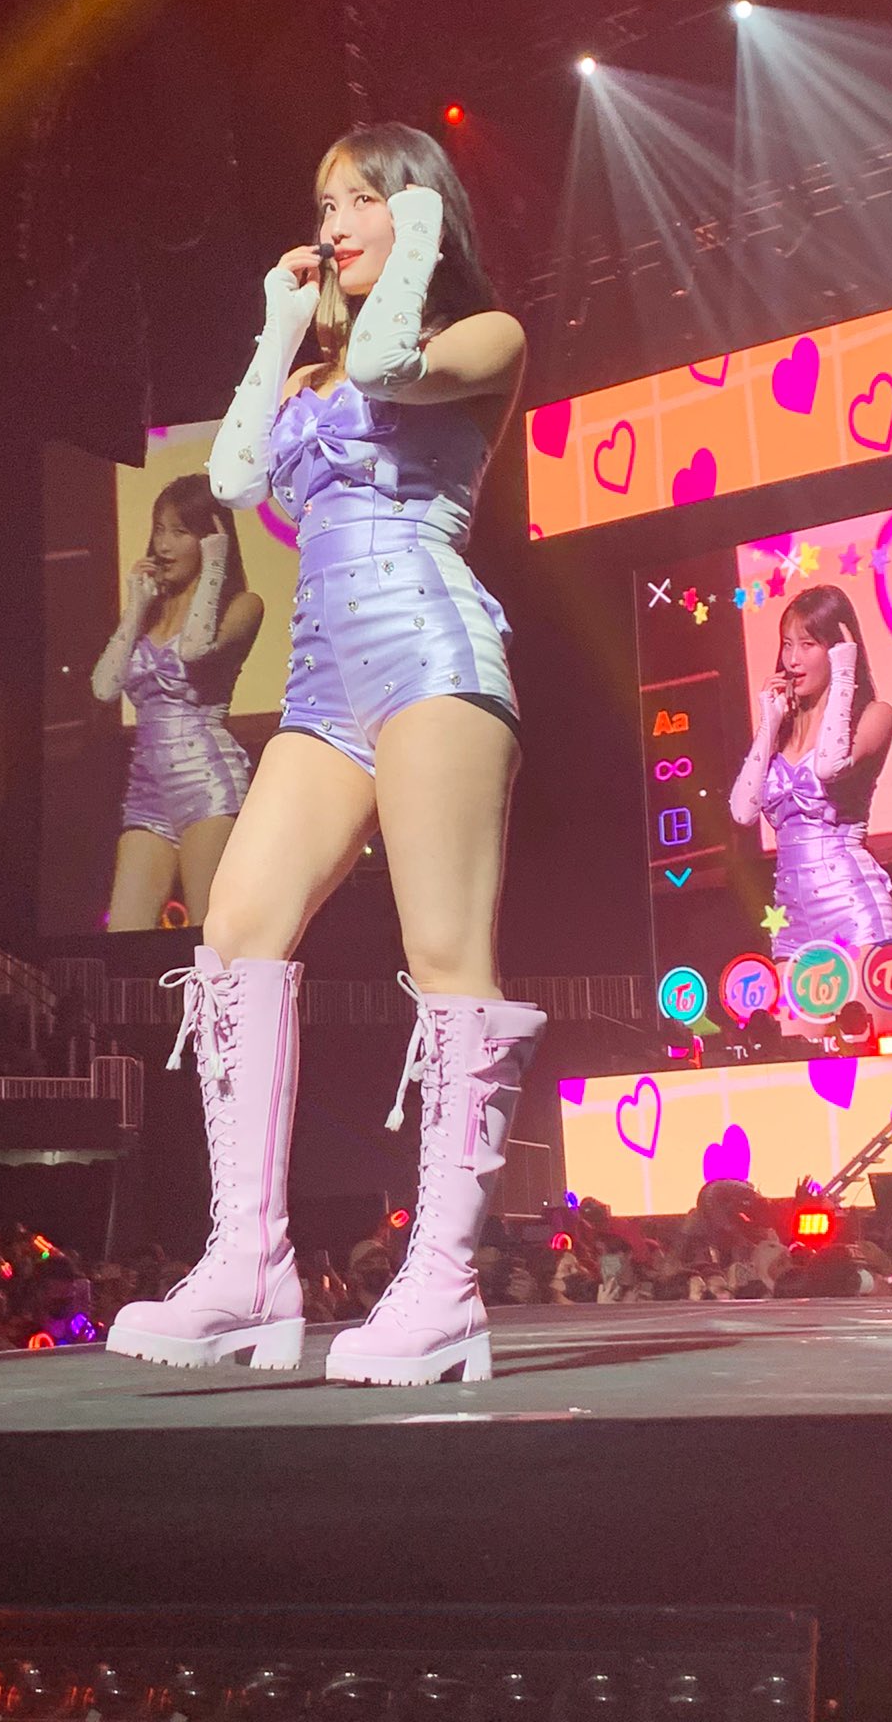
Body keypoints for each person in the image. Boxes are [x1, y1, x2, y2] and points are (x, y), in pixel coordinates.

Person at [105, 122, 546, 1387]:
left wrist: (411, 247)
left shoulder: (485, 336)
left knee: (445, 951)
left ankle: (445, 1285)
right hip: (322, 680)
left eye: (364, 198)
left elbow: (398, 362)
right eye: (325, 202)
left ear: (424, 212)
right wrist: (276, 328)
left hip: (429, 648)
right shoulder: (310, 370)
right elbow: (237, 475)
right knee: (237, 925)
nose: (335, 220)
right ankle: (249, 1267)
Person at [92, 475, 264, 932]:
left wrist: (214, 567)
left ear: (210, 538)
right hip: (146, 788)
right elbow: (104, 688)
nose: (163, 545)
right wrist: (134, 607)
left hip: (206, 782)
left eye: (180, 531)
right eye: (159, 530)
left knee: (211, 932)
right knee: (124, 933)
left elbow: (192, 650)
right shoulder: (149, 610)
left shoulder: (243, 606)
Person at [729, 584, 892, 969]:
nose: (792, 660)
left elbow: (828, 767)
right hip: (790, 920)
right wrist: (769, 724)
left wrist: (844, 675)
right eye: (787, 645)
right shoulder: (782, 730)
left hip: (853, 911)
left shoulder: (875, 716)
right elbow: (742, 812)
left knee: (862, 1012)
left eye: (807, 645)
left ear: (837, 648)